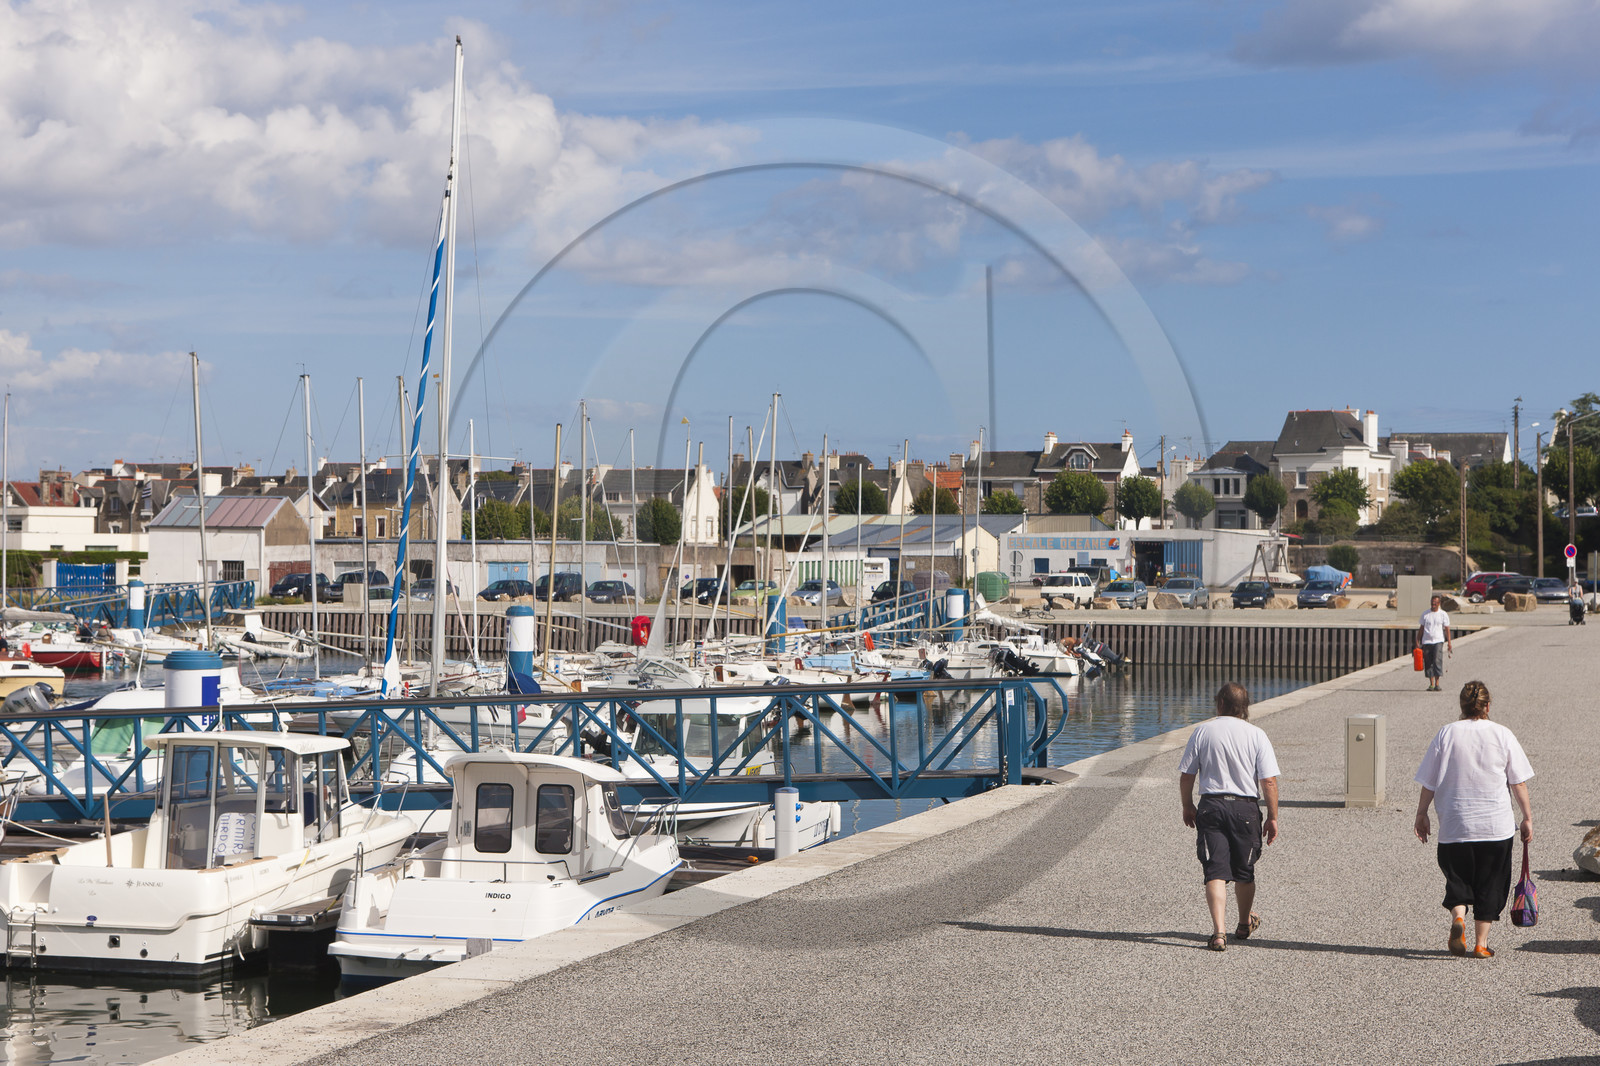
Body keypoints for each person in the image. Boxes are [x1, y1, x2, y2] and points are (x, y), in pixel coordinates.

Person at [1413, 680, 1533, 959]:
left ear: (1462, 706)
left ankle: (1458, 918)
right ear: (1487, 706)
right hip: (1495, 826)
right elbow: (1518, 783)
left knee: (1457, 878)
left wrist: (1421, 814)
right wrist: (1527, 817)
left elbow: (1429, 781)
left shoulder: (1446, 733)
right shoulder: (1502, 734)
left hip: (1455, 824)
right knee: (1491, 883)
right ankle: (1480, 943)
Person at [1179, 682, 1281, 952]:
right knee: (1244, 871)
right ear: (1245, 708)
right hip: (1245, 808)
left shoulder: (1202, 731)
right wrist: (1272, 817)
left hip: (1211, 804)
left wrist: (1188, 805)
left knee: (1214, 869)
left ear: (1219, 703)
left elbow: (1187, 775)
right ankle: (1244, 924)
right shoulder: (1256, 734)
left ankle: (1218, 933)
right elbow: (1268, 781)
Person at [1416, 594, 1453, 692]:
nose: (1433, 604)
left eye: (1436, 603)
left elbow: (1447, 629)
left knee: (1437, 660)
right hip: (1426, 641)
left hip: (1438, 641)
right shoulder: (1425, 614)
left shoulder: (1443, 614)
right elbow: (1421, 629)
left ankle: (1437, 683)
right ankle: (1431, 683)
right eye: (1432, 602)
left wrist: (1449, 643)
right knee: (1428, 662)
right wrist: (1417, 641)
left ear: (1439, 604)